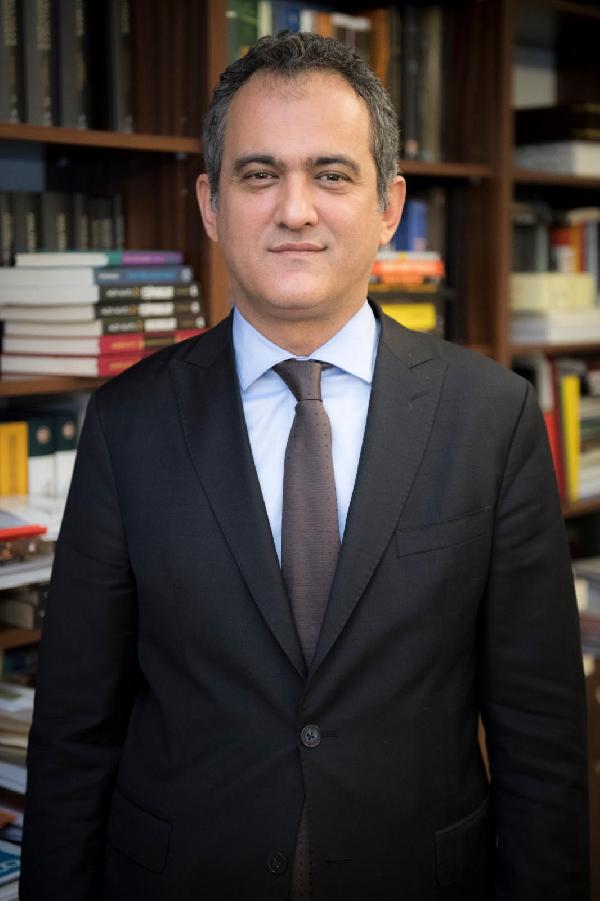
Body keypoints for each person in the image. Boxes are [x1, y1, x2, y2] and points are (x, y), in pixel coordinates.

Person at [21, 31, 588, 901]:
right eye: (259, 174)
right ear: (211, 204)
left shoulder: (493, 418)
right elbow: (73, 733)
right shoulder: (126, 423)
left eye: (331, 174)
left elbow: (541, 740)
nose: (295, 209)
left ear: (389, 205)